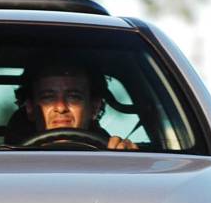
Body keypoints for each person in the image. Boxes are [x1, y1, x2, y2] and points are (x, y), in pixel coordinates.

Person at [9, 60, 138, 150]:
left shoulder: (115, 158)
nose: (60, 107)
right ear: (30, 108)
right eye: (48, 98)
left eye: (74, 97)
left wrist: (129, 165)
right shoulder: (7, 166)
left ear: (94, 107)